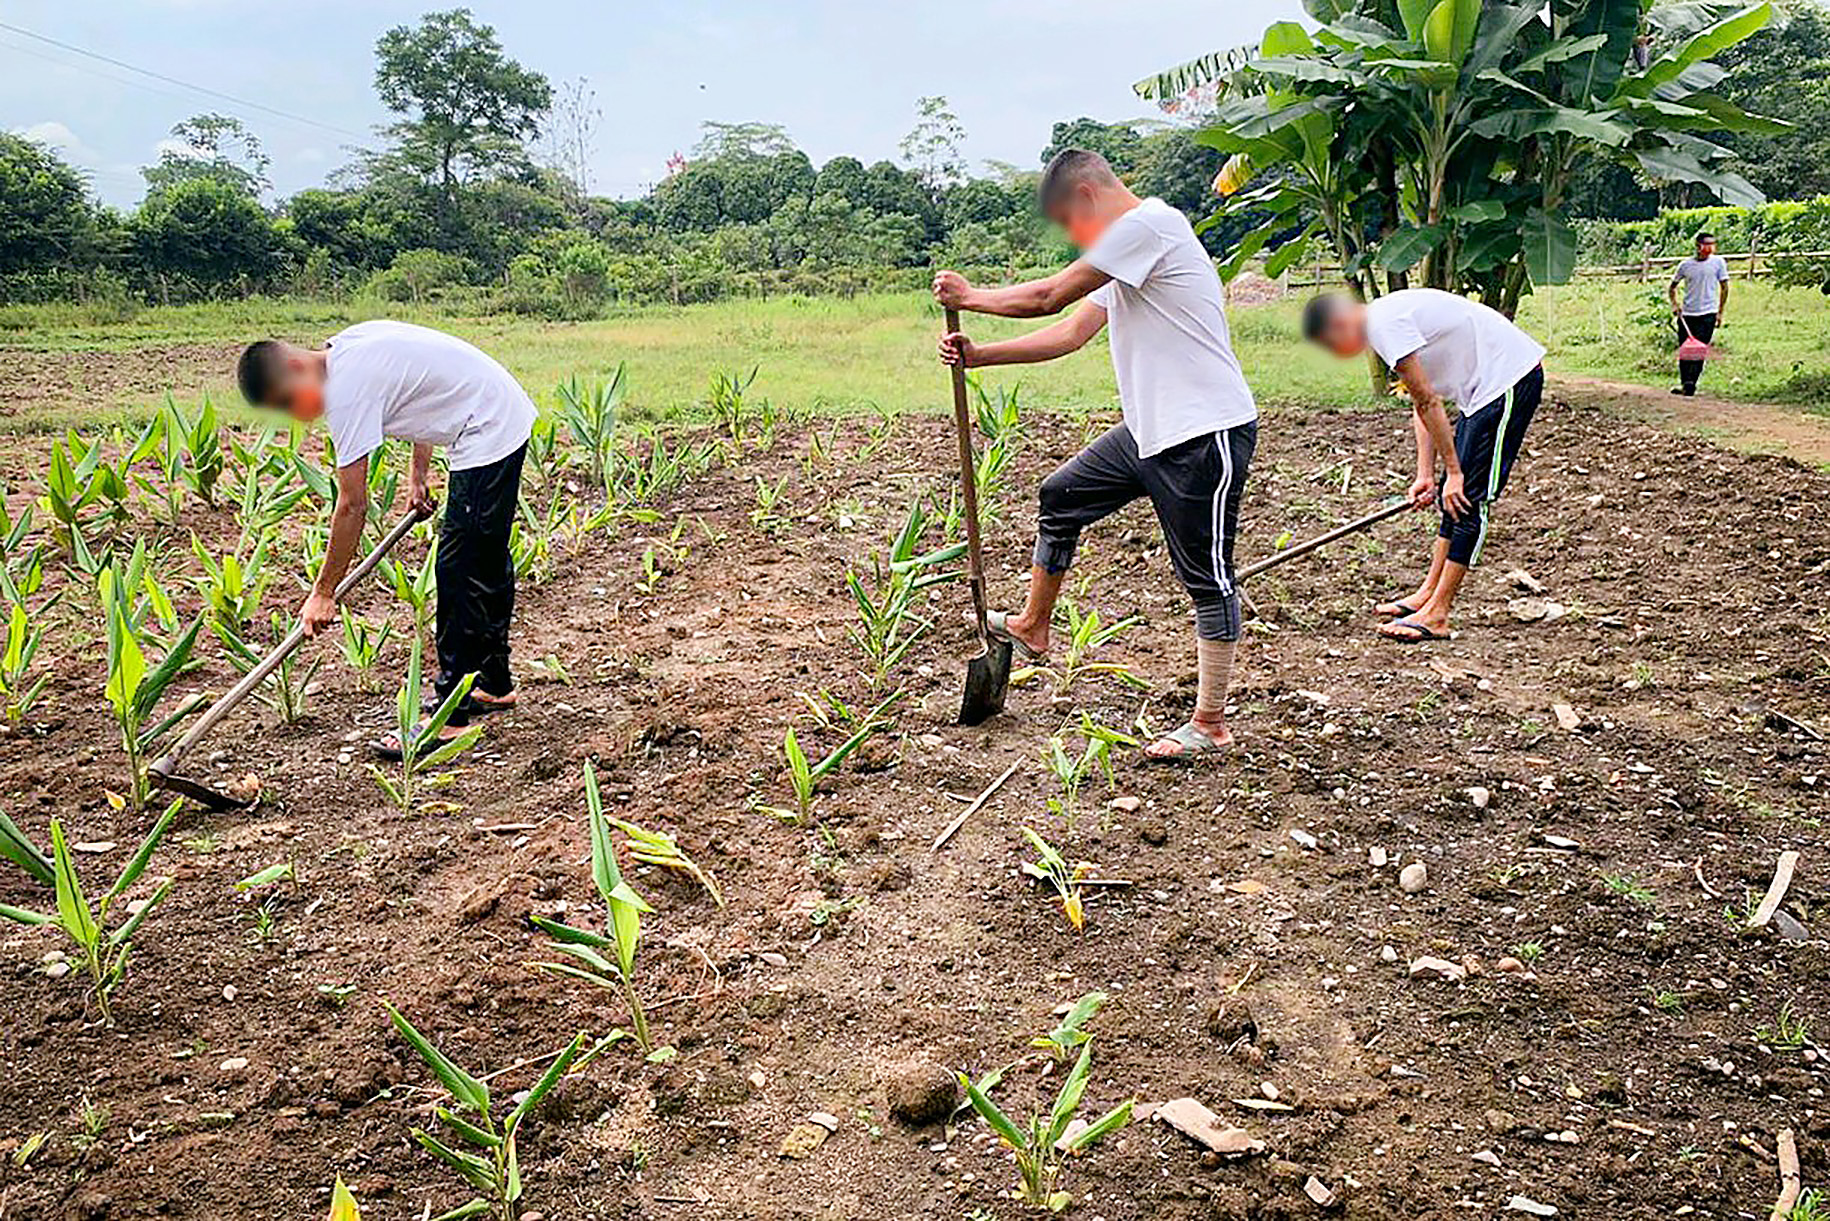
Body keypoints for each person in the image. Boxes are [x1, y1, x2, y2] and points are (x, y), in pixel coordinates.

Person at [933, 148, 1258, 759]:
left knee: (1206, 579)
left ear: (1085, 198)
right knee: (1061, 496)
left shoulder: (1148, 226)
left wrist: (972, 295)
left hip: (1203, 432)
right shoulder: (1129, 255)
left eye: (1068, 225)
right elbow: (1070, 332)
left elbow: (1049, 297)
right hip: (1149, 431)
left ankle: (1210, 722)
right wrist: (981, 356)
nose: (1073, 238)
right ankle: (1034, 626)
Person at [234, 320, 535, 754]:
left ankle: (450, 717)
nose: (296, 415)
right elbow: (424, 393)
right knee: (481, 556)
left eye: (288, 402)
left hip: (488, 425)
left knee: (460, 570)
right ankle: (493, 683)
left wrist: (323, 591)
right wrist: (417, 476)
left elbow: (352, 504)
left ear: (298, 366)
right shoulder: (349, 346)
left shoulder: (346, 392)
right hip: (493, 408)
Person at [1302, 288, 1545, 643]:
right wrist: (1427, 475)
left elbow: (1430, 402)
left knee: (1468, 499)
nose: (1336, 353)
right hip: (1482, 392)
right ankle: (1427, 594)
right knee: (1453, 495)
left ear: (1339, 324)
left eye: (1330, 344)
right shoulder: (1385, 322)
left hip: (1508, 379)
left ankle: (1438, 614)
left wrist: (1456, 473)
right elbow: (1422, 400)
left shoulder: (1383, 324)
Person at [1668, 230, 1729, 396]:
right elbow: (1672, 287)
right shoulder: (1685, 265)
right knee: (1685, 350)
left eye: (1712, 244)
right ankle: (1685, 382)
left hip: (1708, 313)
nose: (1709, 248)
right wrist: (1675, 305)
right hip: (1687, 315)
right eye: (1706, 244)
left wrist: (1720, 312)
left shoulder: (1718, 263)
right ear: (1698, 246)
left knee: (1699, 350)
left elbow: (1724, 287)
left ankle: (1691, 383)